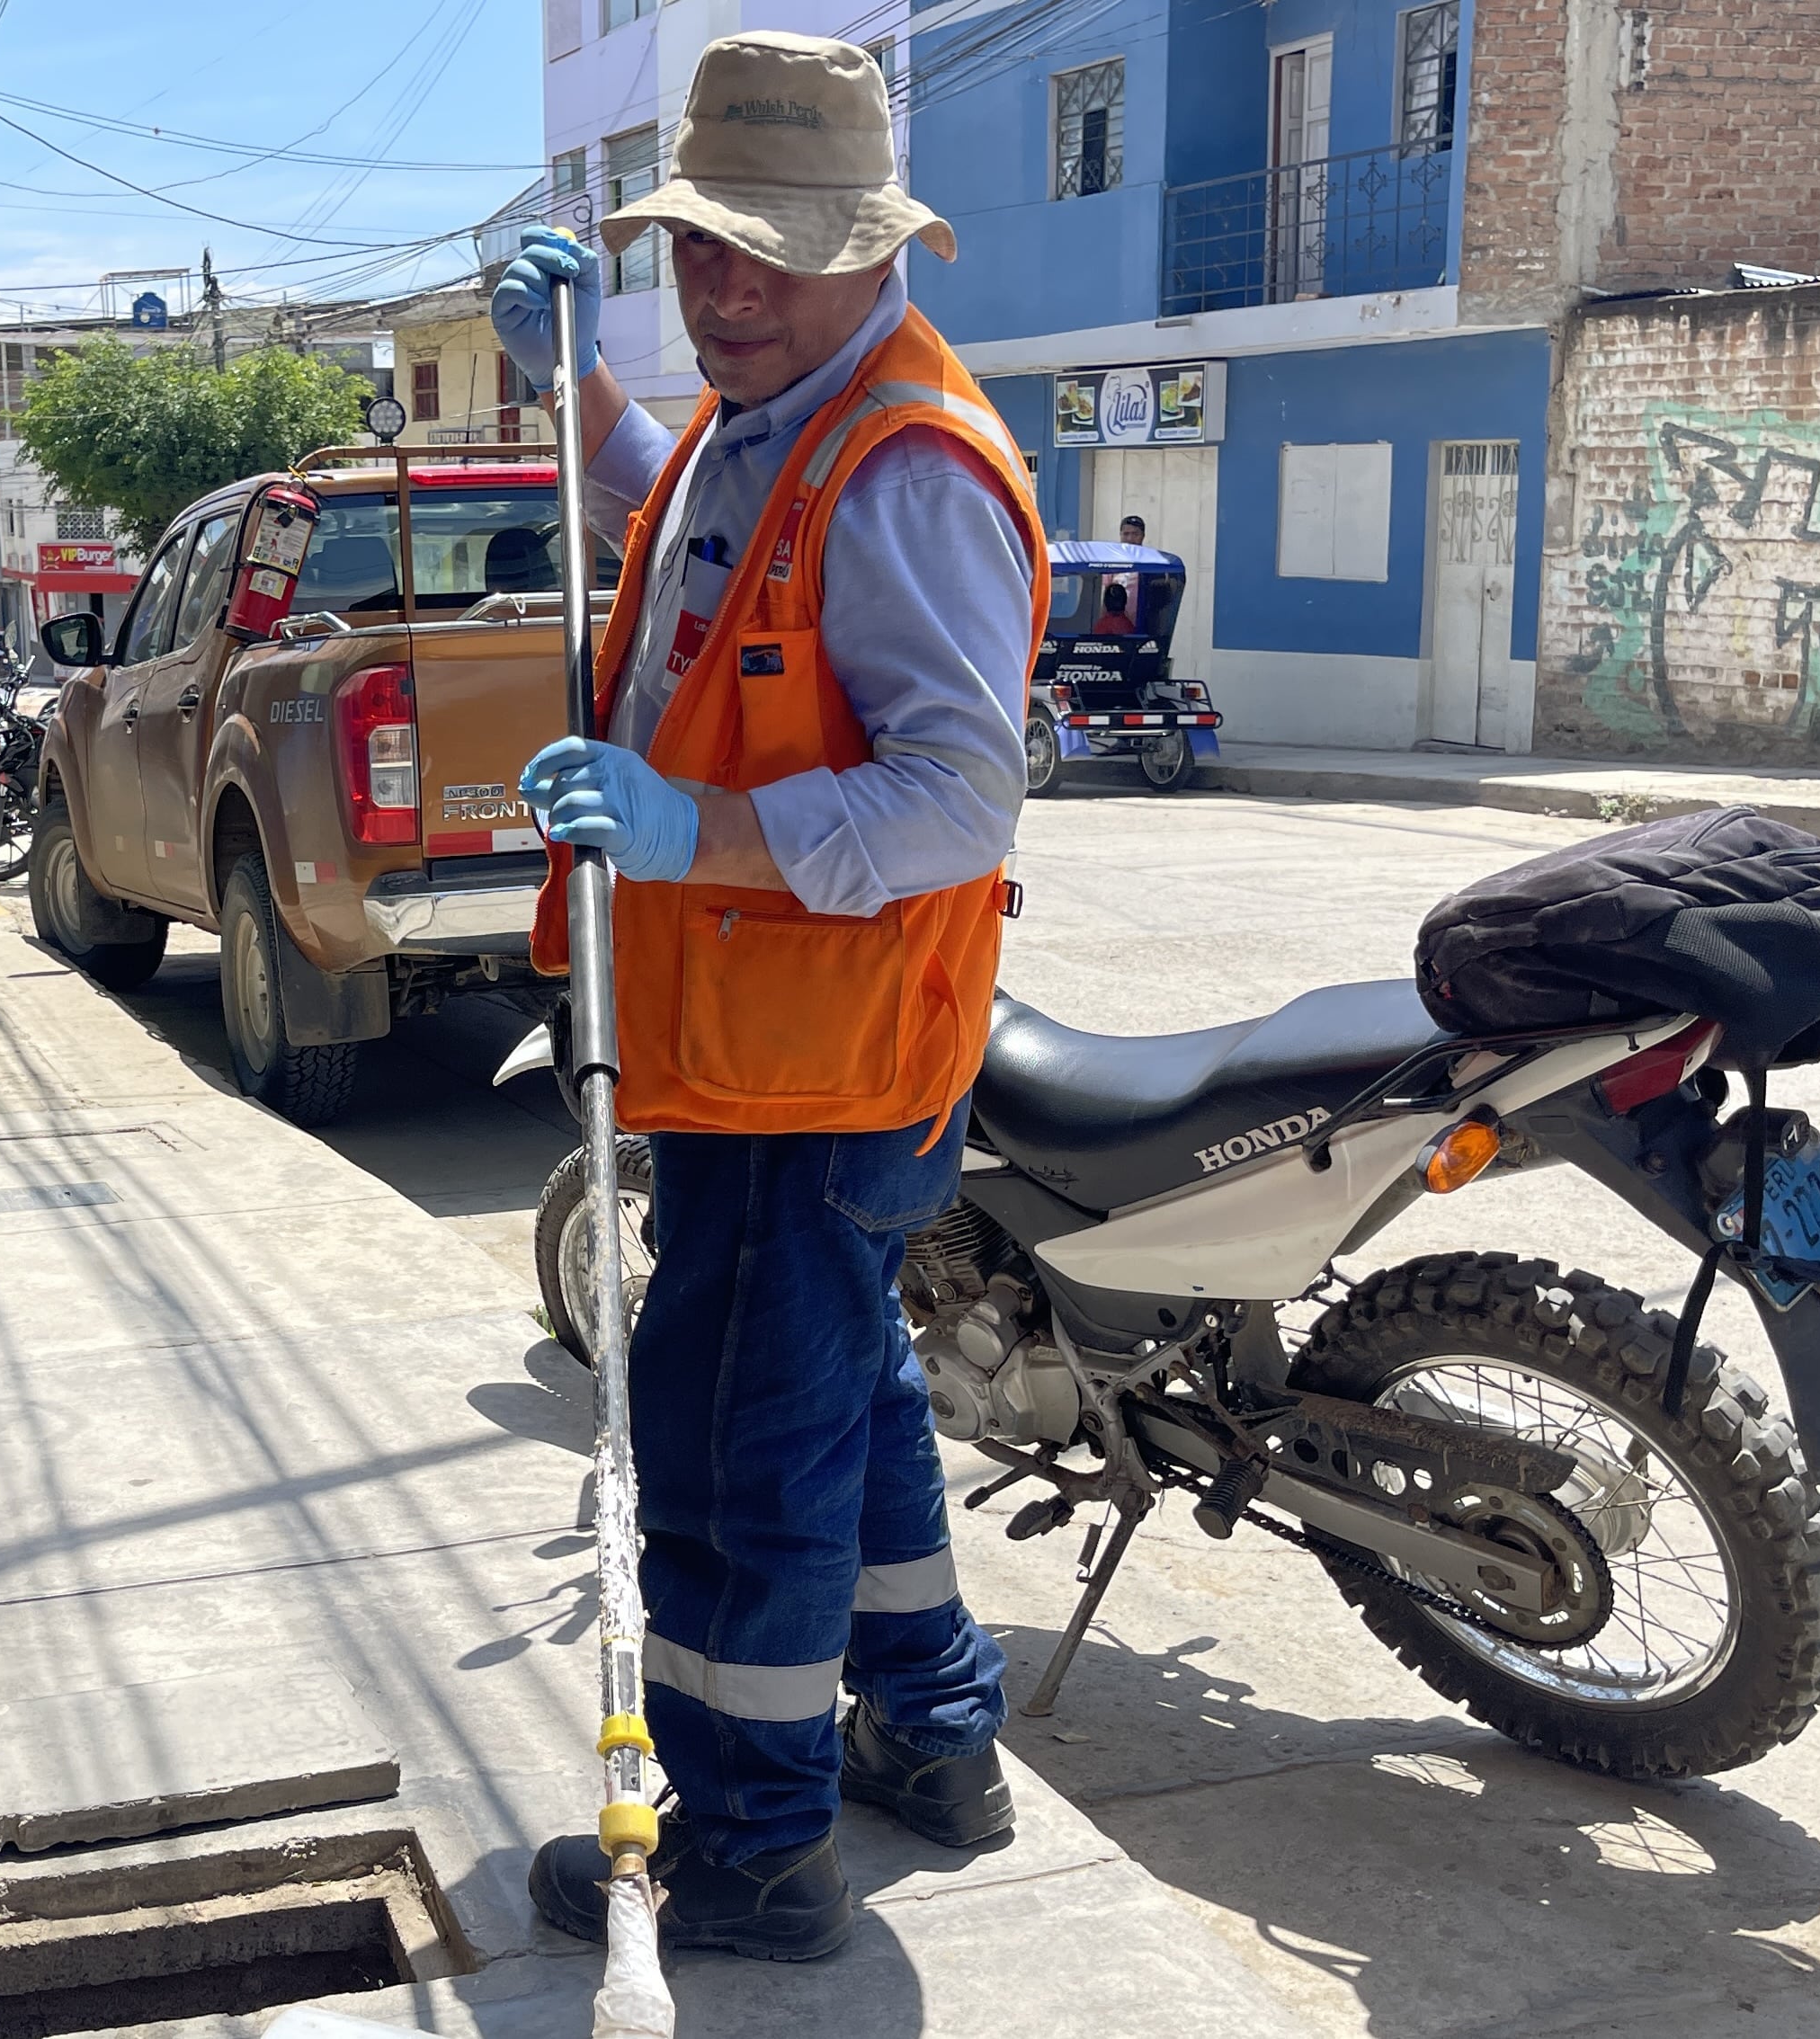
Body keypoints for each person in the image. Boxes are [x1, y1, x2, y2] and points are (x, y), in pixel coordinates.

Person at [492, 30, 1041, 1961]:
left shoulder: (904, 464)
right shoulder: (778, 407)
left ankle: (747, 1846)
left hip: (813, 1066)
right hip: (776, 1054)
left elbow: (962, 798)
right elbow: (703, 533)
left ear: (868, 245)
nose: (717, 285)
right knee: (849, 1406)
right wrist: (576, 387)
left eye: (764, 247)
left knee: (736, 1453)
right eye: (693, 247)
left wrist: (688, 826)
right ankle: (938, 1738)